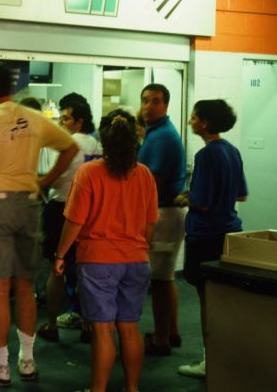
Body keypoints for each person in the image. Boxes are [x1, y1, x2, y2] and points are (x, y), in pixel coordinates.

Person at [0, 62, 78, 387]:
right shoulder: (34, 118)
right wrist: (45, 180)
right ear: (13, 87)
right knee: (24, 284)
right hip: (28, 204)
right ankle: (27, 361)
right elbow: (71, 147)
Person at [54, 109, 158, 392]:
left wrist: (61, 255)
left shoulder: (89, 173)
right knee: (129, 327)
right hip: (136, 260)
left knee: (103, 330)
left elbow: (75, 221)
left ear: (104, 140)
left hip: (98, 261)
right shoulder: (145, 175)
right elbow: (150, 225)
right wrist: (138, 247)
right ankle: (132, 388)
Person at [177, 99, 247, 379]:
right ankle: (226, 357)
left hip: (205, 235)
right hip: (229, 231)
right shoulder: (232, 151)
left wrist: (183, 197)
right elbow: (241, 194)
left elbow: (202, 202)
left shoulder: (206, 155)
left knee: (206, 299)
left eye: (193, 117)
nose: (190, 121)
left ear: (204, 123)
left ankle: (210, 361)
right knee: (223, 299)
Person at [37, 94, 101, 344]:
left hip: (61, 209)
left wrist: (40, 183)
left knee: (57, 267)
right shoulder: (97, 146)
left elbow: (54, 178)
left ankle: (52, 323)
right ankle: (87, 324)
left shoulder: (67, 143)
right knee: (84, 270)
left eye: (66, 118)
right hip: (89, 213)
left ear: (79, 121)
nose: (62, 123)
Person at [138, 84, 187, 356]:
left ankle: (160, 338)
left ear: (166, 105)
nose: (148, 106)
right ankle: (171, 331)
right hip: (165, 212)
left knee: (160, 280)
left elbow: (151, 182)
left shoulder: (162, 137)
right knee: (165, 277)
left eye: (155, 101)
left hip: (164, 213)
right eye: (145, 100)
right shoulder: (155, 133)